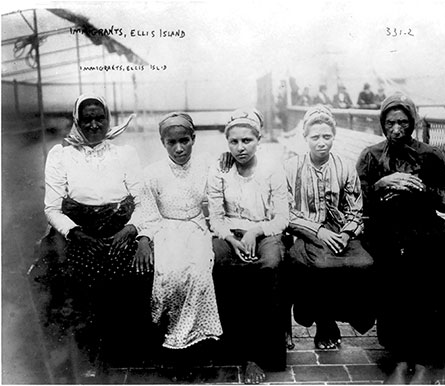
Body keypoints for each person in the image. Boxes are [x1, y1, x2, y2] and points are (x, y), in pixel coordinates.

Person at [356, 93, 445, 384]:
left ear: (413, 123)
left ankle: (429, 359)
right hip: (386, 228)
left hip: (426, 226)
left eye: (403, 122)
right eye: (390, 123)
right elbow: (356, 202)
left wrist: (422, 189)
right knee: (397, 271)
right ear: (382, 124)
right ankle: (402, 359)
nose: (397, 129)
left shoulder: (430, 154)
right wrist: (380, 184)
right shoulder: (370, 155)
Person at [43, 93, 151, 376]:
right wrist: (76, 233)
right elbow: (52, 209)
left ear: (108, 119)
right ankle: (91, 355)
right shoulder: (61, 155)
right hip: (81, 233)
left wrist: (131, 229)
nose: (93, 125)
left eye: (99, 118)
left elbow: (143, 201)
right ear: (76, 120)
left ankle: (124, 352)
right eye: (86, 119)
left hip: (120, 231)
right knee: (78, 280)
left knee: (133, 275)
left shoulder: (124, 153)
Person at [207, 108, 289, 384]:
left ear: (259, 140)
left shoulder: (271, 169)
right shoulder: (220, 169)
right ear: (227, 142)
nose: (240, 147)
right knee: (220, 264)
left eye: (247, 140)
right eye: (234, 142)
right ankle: (233, 350)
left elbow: (281, 218)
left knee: (269, 266)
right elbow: (216, 218)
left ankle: (265, 353)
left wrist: (255, 231)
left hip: (264, 230)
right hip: (229, 233)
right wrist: (229, 238)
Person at [284, 105, 375, 350]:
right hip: (305, 233)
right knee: (317, 266)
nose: (321, 142)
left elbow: (356, 208)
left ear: (334, 137)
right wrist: (317, 231)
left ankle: (346, 316)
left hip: (340, 234)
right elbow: (285, 210)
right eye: (315, 137)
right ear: (305, 138)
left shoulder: (345, 167)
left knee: (365, 264)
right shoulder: (292, 167)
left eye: (327, 136)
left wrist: (346, 234)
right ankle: (324, 322)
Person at [134, 113, 223, 354]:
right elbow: (148, 212)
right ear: (163, 143)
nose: (179, 148)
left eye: (184, 141)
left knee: (198, 273)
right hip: (166, 230)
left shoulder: (206, 165)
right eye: (171, 143)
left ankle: (194, 338)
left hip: (196, 227)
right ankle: (172, 337)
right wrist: (144, 239)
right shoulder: (152, 173)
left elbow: (217, 196)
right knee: (170, 275)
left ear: (193, 138)